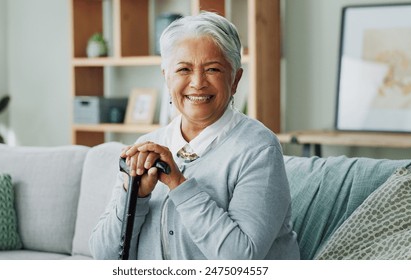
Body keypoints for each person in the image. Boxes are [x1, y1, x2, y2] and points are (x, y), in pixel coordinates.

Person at [89, 11, 299, 260]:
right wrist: (136, 194)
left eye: (212, 69)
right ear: (166, 77)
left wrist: (178, 184)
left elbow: (242, 260)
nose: (198, 83)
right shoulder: (146, 147)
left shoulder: (258, 148)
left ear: (235, 79)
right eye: (184, 69)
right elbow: (104, 256)